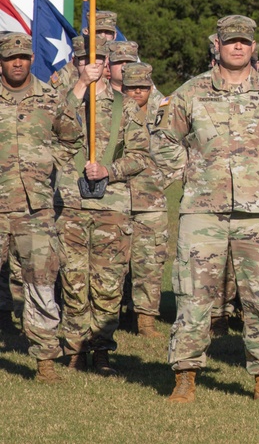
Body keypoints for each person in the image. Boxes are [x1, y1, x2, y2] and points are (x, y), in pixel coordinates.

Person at [151, 15, 259, 403]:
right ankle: (185, 375)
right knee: (193, 294)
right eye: (230, 41)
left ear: (254, 48)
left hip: (258, 214)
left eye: (244, 42)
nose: (238, 47)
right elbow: (163, 139)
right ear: (217, 46)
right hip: (203, 211)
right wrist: (189, 172)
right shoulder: (191, 93)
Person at [53, 36, 151, 375]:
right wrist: (81, 86)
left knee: (108, 284)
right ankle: (74, 349)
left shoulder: (126, 106)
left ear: (107, 65)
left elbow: (141, 156)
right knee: (73, 281)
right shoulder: (66, 100)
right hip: (71, 204)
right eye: (84, 60)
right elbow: (56, 129)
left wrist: (110, 170)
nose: (91, 66)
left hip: (112, 207)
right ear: (76, 63)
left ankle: (101, 349)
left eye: (96, 60)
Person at [0, 34, 65, 381]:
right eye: (11, 57)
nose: (18, 63)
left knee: (41, 282)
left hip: (35, 208)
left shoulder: (50, 98)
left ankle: (45, 360)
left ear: (31, 59)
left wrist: (52, 166)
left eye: (24, 57)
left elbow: (72, 138)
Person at [121, 62, 173, 339]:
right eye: (132, 88)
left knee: (150, 262)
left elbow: (176, 149)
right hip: (116, 197)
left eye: (143, 87)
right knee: (113, 263)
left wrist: (161, 181)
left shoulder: (163, 113)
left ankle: (146, 321)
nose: (138, 92)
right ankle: (114, 316)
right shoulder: (113, 111)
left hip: (151, 201)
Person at [48, 10, 118, 96]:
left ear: (115, 35)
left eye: (108, 32)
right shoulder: (75, 67)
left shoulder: (121, 63)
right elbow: (51, 96)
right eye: (98, 32)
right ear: (86, 32)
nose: (103, 37)